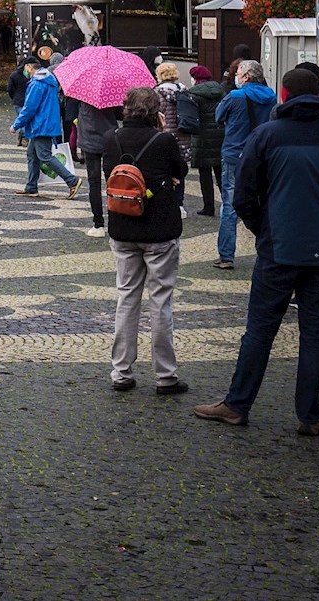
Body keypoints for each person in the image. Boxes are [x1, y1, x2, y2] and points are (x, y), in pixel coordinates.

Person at [195, 67, 319, 435]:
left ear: (284, 95)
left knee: (259, 330)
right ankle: (309, 415)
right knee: (316, 333)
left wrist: (264, 230)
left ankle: (237, 404)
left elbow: (243, 195)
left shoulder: (267, 136)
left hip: (278, 248)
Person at [105, 86, 188, 394]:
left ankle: (121, 372)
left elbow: (107, 173)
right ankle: (165, 376)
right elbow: (181, 170)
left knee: (126, 298)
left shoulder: (112, 138)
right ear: (157, 112)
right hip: (159, 231)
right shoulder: (164, 140)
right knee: (160, 301)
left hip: (123, 228)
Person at [211, 60, 277, 270]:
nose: (237, 78)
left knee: (230, 205)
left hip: (234, 154)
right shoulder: (271, 96)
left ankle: (226, 255)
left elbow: (218, 117)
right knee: (263, 202)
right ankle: (265, 252)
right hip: (261, 155)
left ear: (246, 76)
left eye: (239, 74)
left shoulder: (235, 96)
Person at [12, 55, 78, 199]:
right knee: (32, 155)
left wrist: (16, 125)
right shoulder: (48, 80)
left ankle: (72, 180)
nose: (25, 71)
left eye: (25, 68)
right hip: (45, 124)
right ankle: (31, 187)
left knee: (45, 156)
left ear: (29, 67)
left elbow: (30, 107)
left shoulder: (37, 83)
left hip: (40, 126)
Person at [152, 63, 199, 213]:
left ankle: (166, 203)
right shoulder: (184, 91)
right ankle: (179, 204)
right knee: (180, 170)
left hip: (165, 136)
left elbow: (156, 116)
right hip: (183, 134)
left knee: (164, 170)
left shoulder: (157, 93)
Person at [74, 97, 121, 237]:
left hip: (89, 142)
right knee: (112, 182)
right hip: (110, 140)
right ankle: (115, 222)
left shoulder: (83, 96)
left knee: (94, 184)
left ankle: (98, 224)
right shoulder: (111, 95)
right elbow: (120, 115)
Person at [186, 65, 226, 216]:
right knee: (220, 171)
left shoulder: (193, 94)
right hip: (219, 134)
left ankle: (208, 206)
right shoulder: (221, 91)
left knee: (205, 173)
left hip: (201, 136)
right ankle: (227, 202)